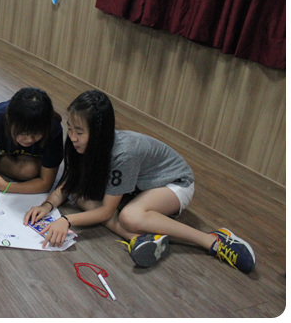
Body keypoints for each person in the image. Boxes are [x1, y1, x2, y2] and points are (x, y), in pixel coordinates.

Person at [23, 90, 256, 273]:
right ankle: (138, 238)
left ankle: (213, 240)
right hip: (139, 188)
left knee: (130, 216)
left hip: (174, 184)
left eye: (79, 132)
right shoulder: (82, 145)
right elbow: (69, 184)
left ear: (99, 132)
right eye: (70, 129)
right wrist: (47, 205)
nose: (72, 137)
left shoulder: (124, 153)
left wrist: (66, 220)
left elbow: (106, 212)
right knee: (80, 195)